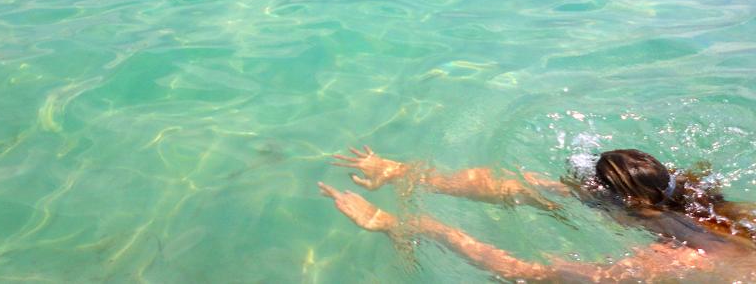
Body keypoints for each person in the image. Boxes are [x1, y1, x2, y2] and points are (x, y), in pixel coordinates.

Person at [319, 147, 756, 281]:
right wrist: (406, 173)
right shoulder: (698, 199)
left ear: (630, 205)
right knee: (541, 191)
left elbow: (540, 274)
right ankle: (400, 172)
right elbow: (529, 183)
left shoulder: (682, 254)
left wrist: (418, 225)